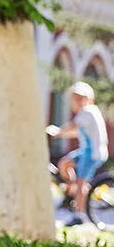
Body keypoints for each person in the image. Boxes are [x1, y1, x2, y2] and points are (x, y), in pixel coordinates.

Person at [46, 81, 109, 226]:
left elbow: (73, 126)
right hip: (85, 151)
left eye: (80, 98)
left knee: (81, 183)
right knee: (64, 164)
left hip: (92, 154)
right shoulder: (85, 113)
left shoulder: (88, 111)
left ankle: (79, 215)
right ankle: (72, 189)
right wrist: (58, 135)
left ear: (88, 98)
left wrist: (58, 131)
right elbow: (77, 132)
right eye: (75, 98)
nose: (77, 101)